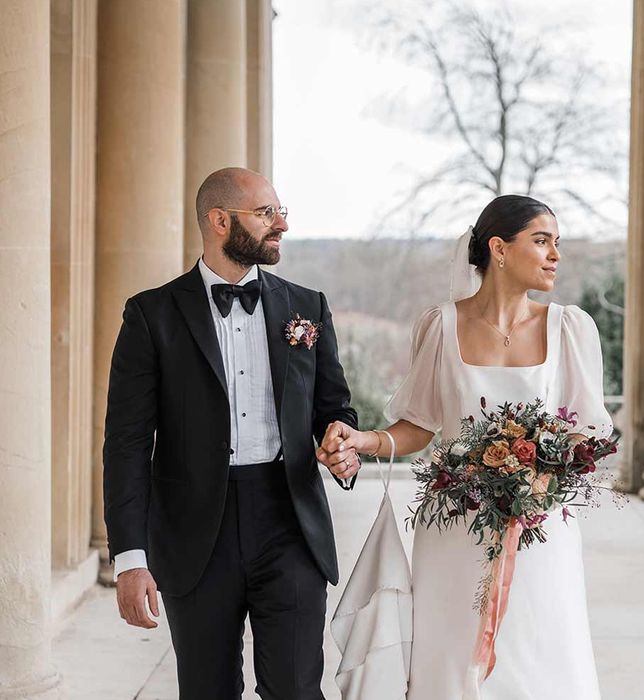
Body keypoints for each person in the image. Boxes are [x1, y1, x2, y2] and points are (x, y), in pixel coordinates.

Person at [321, 195, 611, 699]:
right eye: (541, 241)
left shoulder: (570, 328)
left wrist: (540, 476)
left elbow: (588, 433)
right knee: (451, 656)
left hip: (539, 531)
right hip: (454, 530)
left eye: (556, 243)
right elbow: (420, 425)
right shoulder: (440, 325)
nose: (555, 255)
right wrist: (364, 439)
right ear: (499, 249)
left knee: (537, 656)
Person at [103, 167, 360, 700]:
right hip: (195, 533)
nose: (282, 224)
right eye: (267, 213)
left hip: (288, 520)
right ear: (221, 221)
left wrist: (342, 442)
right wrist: (130, 558)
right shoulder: (151, 315)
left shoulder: (307, 307)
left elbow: (334, 408)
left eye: (280, 209)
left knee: (295, 690)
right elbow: (127, 444)